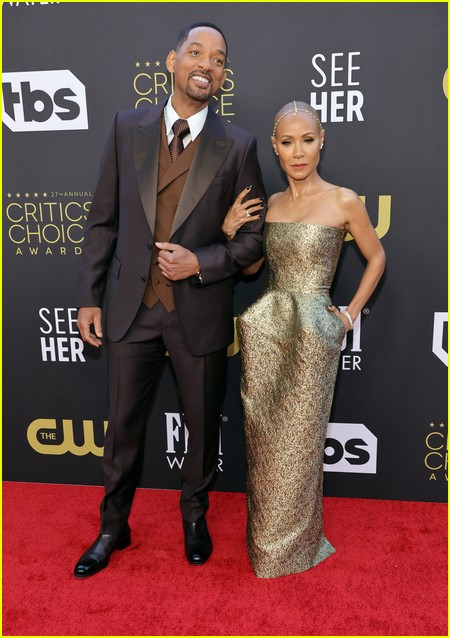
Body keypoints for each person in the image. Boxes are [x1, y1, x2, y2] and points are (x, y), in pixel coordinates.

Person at [73, 22, 265, 578]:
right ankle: (113, 526)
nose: (207, 64)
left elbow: (253, 242)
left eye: (219, 59)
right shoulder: (124, 127)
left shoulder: (241, 146)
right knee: (122, 427)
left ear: (224, 75)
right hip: (130, 308)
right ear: (171, 61)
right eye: (196, 53)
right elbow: (102, 222)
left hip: (199, 313)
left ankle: (195, 519)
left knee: (202, 428)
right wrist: (89, 297)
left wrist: (200, 261)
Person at [222, 101, 385, 578]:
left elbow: (376, 258)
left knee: (302, 441)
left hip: (314, 332)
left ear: (322, 141)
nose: (299, 152)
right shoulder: (270, 204)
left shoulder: (344, 200)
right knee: (264, 440)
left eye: (307, 140)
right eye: (288, 142)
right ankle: (266, 542)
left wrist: (349, 314)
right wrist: (231, 232)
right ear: (275, 147)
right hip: (267, 328)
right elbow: (253, 269)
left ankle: (292, 547)